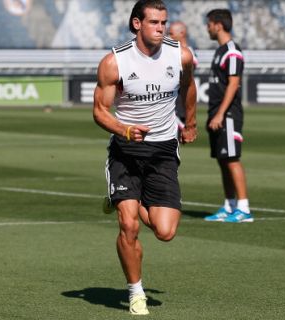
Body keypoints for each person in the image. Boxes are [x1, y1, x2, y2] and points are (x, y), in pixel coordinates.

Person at [92, 0, 197, 315]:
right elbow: (99, 111)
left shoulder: (181, 56)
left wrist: (190, 123)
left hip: (163, 149)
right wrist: (123, 130)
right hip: (126, 149)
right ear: (137, 23)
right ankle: (136, 292)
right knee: (129, 225)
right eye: (154, 22)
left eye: (164, 22)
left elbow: (189, 88)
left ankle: (118, 198)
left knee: (165, 232)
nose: (161, 28)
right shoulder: (115, 63)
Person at [203, 9, 253, 223]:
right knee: (223, 160)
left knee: (232, 159)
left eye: (209, 24)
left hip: (228, 114)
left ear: (218, 25)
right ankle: (229, 205)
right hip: (217, 112)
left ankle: (244, 209)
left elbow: (234, 84)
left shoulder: (232, 51)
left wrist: (221, 114)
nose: (207, 28)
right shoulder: (220, 51)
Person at [168, 21, 199, 131]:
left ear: (182, 33)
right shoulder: (171, 51)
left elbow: (186, 76)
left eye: (171, 34)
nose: (168, 37)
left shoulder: (188, 53)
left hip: (180, 105)